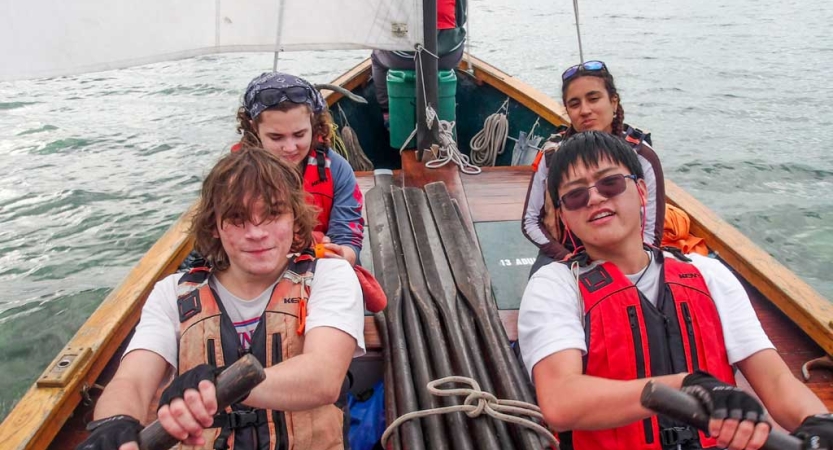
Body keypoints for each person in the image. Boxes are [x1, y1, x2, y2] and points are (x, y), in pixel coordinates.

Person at [518, 131, 833, 450]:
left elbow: (776, 380)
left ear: (641, 191)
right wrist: (684, 386)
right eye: (575, 195)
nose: (595, 198)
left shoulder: (708, 274)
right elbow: (560, 402)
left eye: (609, 183)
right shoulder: (554, 287)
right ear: (564, 216)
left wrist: (816, 422)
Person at [77, 147, 365, 450]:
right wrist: (114, 423)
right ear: (214, 225)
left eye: (272, 214)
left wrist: (217, 386)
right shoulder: (172, 293)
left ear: (295, 219)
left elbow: (323, 377)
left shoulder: (329, 276)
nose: (257, 232)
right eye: (238, 218)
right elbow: (132, 380)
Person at [522, 60, 664, 274]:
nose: (585, 110)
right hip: (567, 255)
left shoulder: (641, 156)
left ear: (614, 102)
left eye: (594, 98)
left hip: (627, 257)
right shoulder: (552, 155)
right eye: (574, 104)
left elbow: (651, 235)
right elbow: (530, 220)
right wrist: (567, 258)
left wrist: (623, 267)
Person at [236, 72, 364, 266]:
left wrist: (340, 255)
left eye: (299, 134)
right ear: (254, 127)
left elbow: (348, 237)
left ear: (312, 122)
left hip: (323, 266)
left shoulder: (338, 170)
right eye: (276, 137)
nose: (290, 148)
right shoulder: (233, 178)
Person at [370, 0, 467, 125]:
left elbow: (383, 19)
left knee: (376, 56)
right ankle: (449, 106)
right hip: (447, 56)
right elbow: (460, 19)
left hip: (403, 57)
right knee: (452, 61)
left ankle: (387, 113)